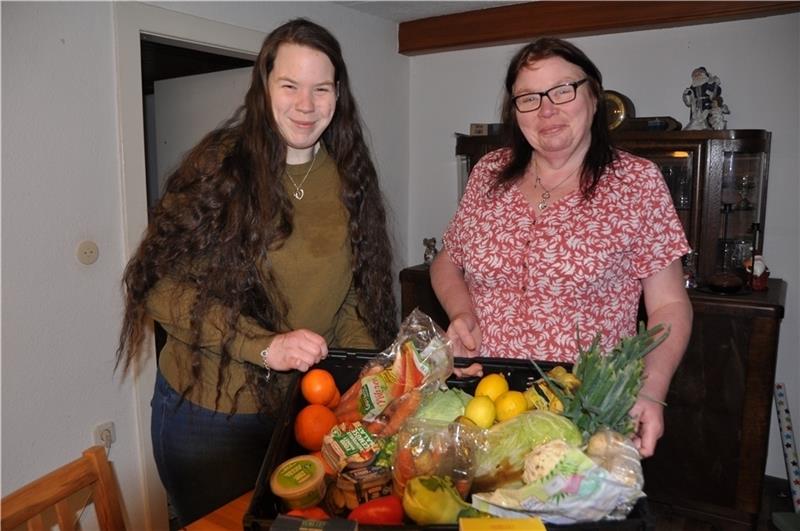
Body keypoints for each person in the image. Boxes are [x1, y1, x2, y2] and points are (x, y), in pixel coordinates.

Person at [115, 19, 397, 526]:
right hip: (208, 416)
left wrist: (364, 369)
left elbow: (350, 296)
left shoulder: (349, 175)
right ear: (264, 86)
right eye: (289, 85)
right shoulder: (220, 165)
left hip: (300, 410)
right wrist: (266, 345)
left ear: (339, 95)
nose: (306, 105)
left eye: (321, 88)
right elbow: (161, 287)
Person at [430, 37, 692, 458]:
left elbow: (670, 307)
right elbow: (448, 260)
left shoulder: (636, 183)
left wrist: (652, 390)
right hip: (484, 400)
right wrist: (462, 313)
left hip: (584, 410)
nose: (546, 110)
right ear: (515, 112)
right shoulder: (488, 173)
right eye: (529, 98)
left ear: (593, 97)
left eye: (562, 90)